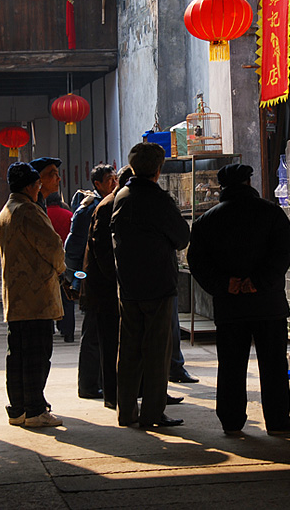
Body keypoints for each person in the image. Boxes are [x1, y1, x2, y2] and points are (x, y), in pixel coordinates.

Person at [187, 163, 290, 436]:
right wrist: (259, 282)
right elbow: (284, 253)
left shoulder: (207, 220)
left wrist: (225, 284)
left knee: (230, 364)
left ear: (222, 188)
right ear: (249, 183)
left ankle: (231, 420)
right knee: (273, 363)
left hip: (230, 304)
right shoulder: (272, 213)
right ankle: (277, 421)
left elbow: (197, 262)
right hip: (268, 303)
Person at [82, 165, 185, 410]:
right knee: (114, 346)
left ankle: (135, 398)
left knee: (133, 346)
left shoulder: (123, 203)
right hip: (109, 289)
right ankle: (115, 397)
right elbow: (104, 251)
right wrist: (121, 278)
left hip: (125, 286)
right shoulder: (110, 206)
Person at [111, 143, 190, 428]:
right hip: (157, 284)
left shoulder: (122, 196)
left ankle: (126, 412)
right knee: (157, 351)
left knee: (129, 349)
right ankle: (153, 413)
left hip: (128, 285)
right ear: (158, 170)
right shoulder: (157, 199)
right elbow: (182, 237)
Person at [0, 162, 65, 428]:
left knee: (18, 355)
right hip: (36, 297)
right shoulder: (29, 211)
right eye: (37, 185)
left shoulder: (6, 211)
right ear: (28, 186)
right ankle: (35, 409)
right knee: (37, 353)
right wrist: (61, 270)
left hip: (16, 297)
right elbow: (53, 247)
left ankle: (19, 408)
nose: (39, 190)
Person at [64, 164, 118, 399]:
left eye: (115, 178)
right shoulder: (88, 210)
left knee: (102, 334)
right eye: (109, 180)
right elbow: (73, 251)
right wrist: (78, 280)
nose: (114, 183)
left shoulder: (112, 205)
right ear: (97, 184)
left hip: (103, 280)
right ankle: (87, 386)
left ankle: (98, 383)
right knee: (93, 334)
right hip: (92, 280)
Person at [46, 191, 76, 342]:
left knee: (48, 296)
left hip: (47, 261)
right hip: (66, 261)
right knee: (67, 297)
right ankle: (68, 332)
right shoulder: (69, 215)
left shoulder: (43, 215)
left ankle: (49, 328)